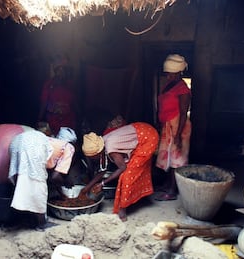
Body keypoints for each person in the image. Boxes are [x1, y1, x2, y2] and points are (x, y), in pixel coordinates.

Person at [80, 122, 159, 221]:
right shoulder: (100, 143)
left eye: (92, 158)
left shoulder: (110, 148)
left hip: (148, 137)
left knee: (128, 175)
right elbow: (102, 171)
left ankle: (122, 211)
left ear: (98, 153)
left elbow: (122, 168)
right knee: (130, 169)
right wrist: (87, 188)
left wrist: (103, 183)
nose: (92, 160)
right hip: (140, 131)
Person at [8, 128, 77, 230]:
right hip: (34, 145)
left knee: (20, 183)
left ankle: (18, 220)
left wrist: (60, 191)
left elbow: (52, 176)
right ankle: (42, 223)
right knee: (39, 185)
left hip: (17, 141)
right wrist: (64, 183)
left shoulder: (53, 143)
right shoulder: (69, 147)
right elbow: (55, 177)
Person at [154, 54, 192, 201]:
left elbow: (183, 113)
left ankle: (172, 190)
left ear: (179, 72)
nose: (168, 76)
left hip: (179, 126)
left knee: (176, 159)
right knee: (166, 156)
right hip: (168, 125)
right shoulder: (168, 85)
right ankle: (167, 184)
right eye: (167, 73)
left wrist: (178, 135)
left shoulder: (183, 89)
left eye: (172, 74)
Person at [37, 56, 77, 136]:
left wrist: (77, 119)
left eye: (63, 69)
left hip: (68, 121)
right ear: (55, 71)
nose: (61, 71)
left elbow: (74, 103)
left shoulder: (70, 85)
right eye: (59, 69)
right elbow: (44, 103)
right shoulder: (49, 85)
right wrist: (39, 119)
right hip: (53, 121)